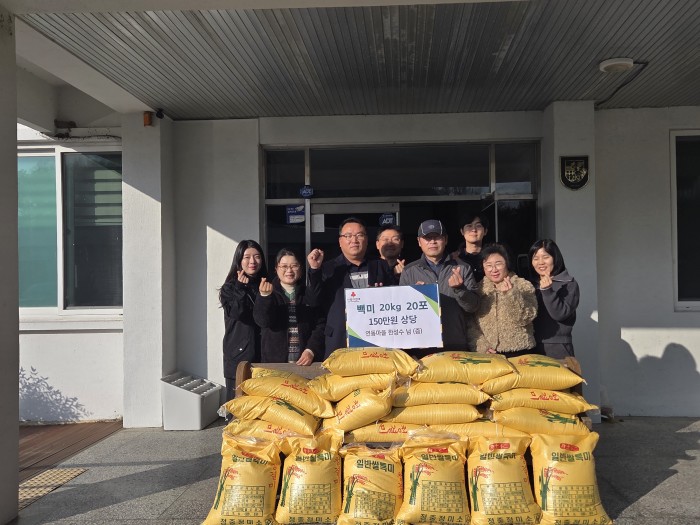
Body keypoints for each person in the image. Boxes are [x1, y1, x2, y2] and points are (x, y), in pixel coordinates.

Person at [307, 217, 395, 358]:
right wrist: (314, 270)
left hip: (376, 340)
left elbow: (394, 301)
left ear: (366, 239)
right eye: (348, 236)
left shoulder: (380, 265)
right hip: (339, 341)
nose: (354, 240)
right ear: (340, 241)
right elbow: (313, 301)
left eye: (359, 235)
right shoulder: (328, 268)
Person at [400, 219, 479, 353]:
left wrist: (460, 289)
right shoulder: (409, 271)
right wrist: (415, 297)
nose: (432, 241)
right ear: (419, 241)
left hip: (455, 342)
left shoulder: (463, 268)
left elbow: (473, 307)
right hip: (422, 345)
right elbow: (402, 314)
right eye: (427, 238)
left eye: (437, 237)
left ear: (446, 240)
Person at [253, 249, 325, 364]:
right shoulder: (268, 292)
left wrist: (311, 350)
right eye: (284, 266)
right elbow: (263, 322)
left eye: (294, 266)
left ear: (300, 269)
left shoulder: (308, 294)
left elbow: (320, 325)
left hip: (305, 363)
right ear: (276, 269)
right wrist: (265, 297)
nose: (289, 270)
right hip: (275, 363)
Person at [467, 243, 539, 356]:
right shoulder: (478, 290)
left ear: (507, 263)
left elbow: (526, 317)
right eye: (489, 265)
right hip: (488, 354)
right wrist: (482, 346)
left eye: (498, 264)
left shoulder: (523, 286)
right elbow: (470, 323)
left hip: (520, 352)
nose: (494, 269)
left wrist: (511, 295)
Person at [219, 240, 267, 402]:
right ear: (239, 260)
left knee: (260, 405)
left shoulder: (266, 285)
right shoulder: (230, 288)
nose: (252, 261)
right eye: (247, 257)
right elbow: (237, 313)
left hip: (263, 355)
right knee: (237, 405)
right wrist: (240, 288)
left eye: (257, 256)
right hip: (238, 355)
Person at [529, 239, 580, 359]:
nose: (540, 262)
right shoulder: (529, 284)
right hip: (530, 346)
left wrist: (548, 291)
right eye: (535, 258)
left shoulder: (568, 283)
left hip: (557, 347)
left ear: (555, 258)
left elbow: (560, 314)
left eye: (545, 257)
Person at [455, 212, 489, 282]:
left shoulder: (492, 256)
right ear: (462, 231)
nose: (473, 230)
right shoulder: (455, 258)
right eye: (469, 226)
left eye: (478, 226)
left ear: (485, 231)